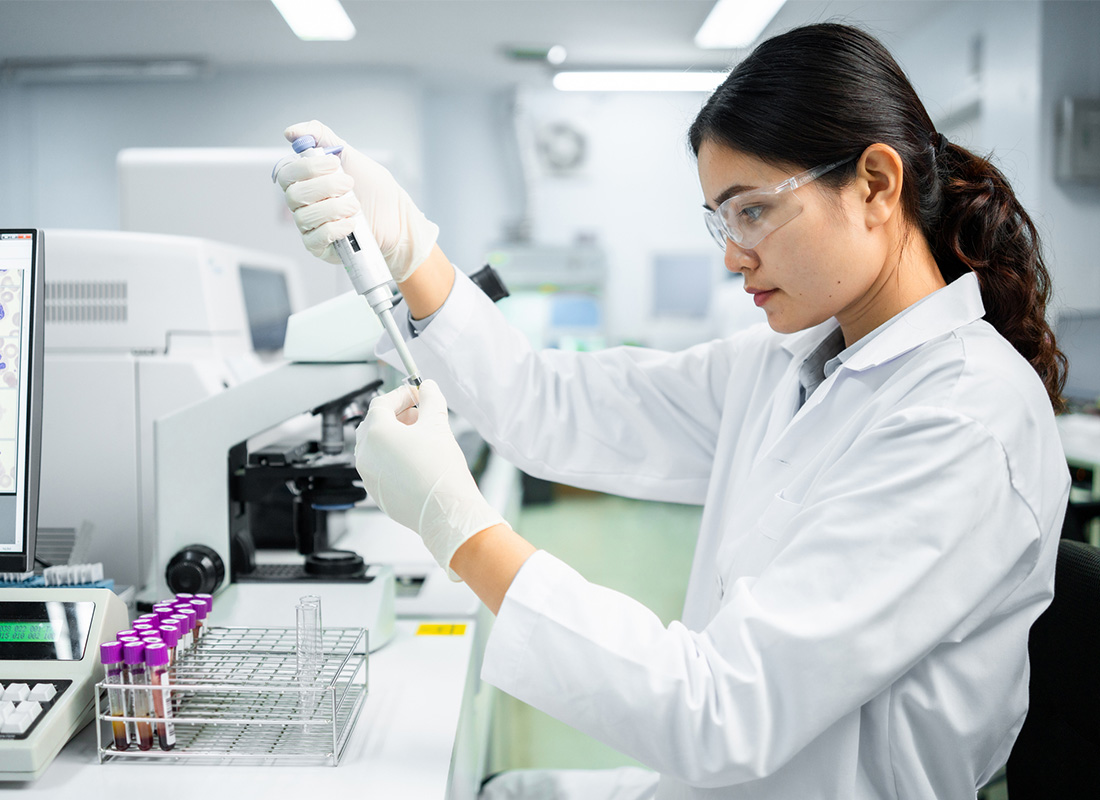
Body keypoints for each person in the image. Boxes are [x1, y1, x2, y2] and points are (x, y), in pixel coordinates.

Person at [275, 23, 1070, 800]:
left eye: (753, 209)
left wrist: (460, 528)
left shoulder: (966, 421)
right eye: (721, 218)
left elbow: (722, 711)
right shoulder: (787, 364)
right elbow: (550, 406)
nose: (731, 254)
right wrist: (411, 251)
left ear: (875, 184)